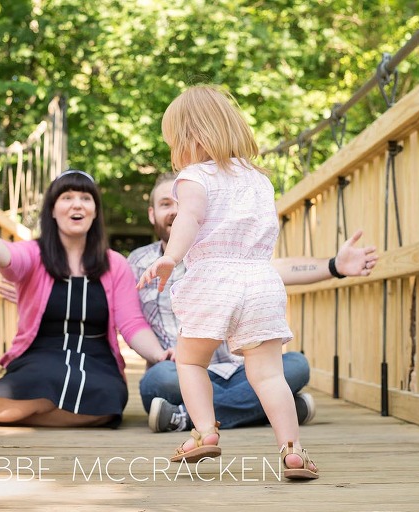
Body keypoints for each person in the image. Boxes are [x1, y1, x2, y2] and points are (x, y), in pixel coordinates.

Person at [0, 170, 172, 428]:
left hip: (96, 360)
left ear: (95, 211)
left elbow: (132, 323)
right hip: (42, 355)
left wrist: (159, 355)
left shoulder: (114, 264)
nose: (77, 204)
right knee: (45, 378)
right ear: (53, 210)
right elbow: (7, 254)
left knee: (110, 400)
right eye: (67, 197)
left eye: (85, 198)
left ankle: (15, 412)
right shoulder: (35, 255)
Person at [138, 85, 324, 479]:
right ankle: (292, 450)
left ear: (190, 138)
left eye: (175, 141)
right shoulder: (259, 180)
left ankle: (205, 431)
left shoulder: (193, 177)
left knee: (190, 360)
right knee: (270, 373)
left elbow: (190, 219)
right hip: (259, 279)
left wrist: (171, 257)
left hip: (212, 279)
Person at [129, 173, 377, 435]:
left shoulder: (229, 252)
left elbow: (280, 268)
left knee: (296, 366)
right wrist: (158, 353)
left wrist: (334, 266)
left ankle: (185, 417)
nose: (178, 210)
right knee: (157, 379)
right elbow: (130, 319)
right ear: (151, 213)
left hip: (242, 370)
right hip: (180, 370)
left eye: (184, 202)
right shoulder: (138, 262)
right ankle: (275, 409)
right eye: (167, 204)